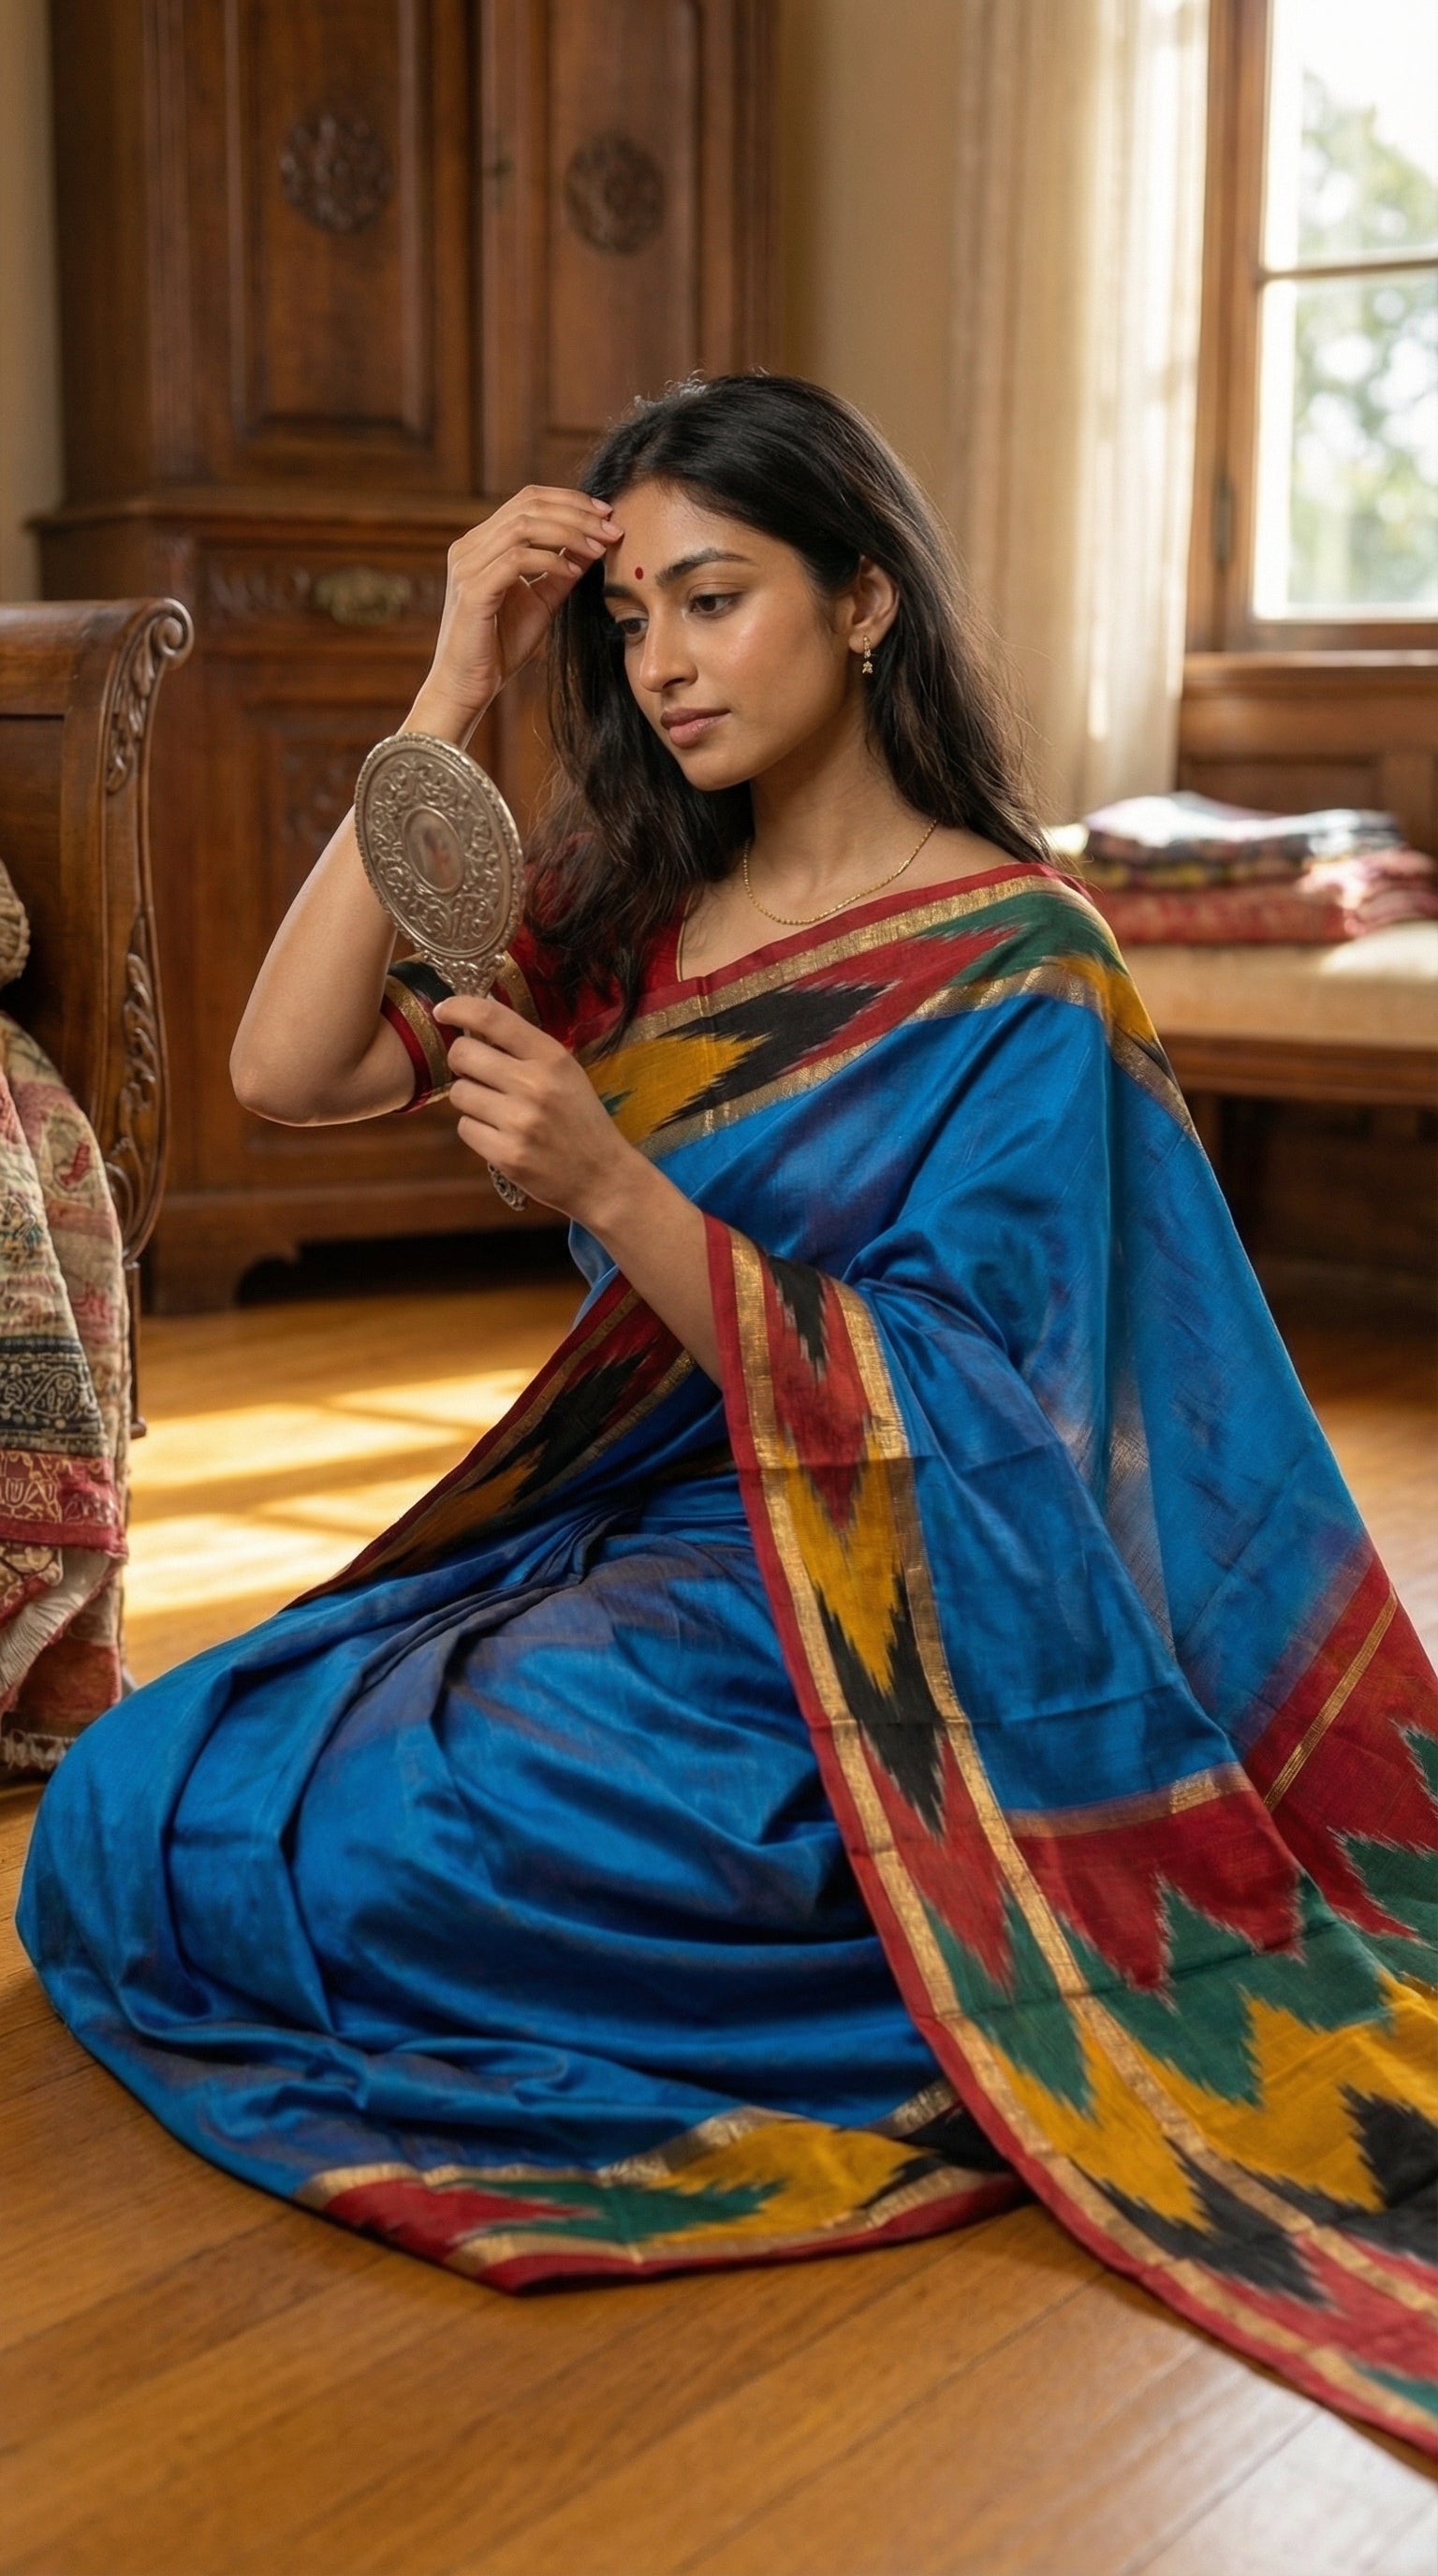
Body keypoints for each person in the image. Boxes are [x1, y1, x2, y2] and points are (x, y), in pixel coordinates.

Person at [18, 376, 1438, 2453]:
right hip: (641, 1544)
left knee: (414, 1835)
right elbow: (285, 1071)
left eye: (717, 599)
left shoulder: (1018, 967)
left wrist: (613, 1187)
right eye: (630, 622)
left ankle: (942, 1941)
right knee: (142, 1784)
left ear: (864, 602)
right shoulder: (627, 907)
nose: (666, 664)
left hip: (889, 1603)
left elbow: (979, 1422)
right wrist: (454, 670)